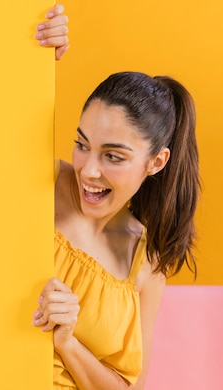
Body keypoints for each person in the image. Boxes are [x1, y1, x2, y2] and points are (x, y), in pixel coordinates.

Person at [32, 70, 200, 389]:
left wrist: (68, 342)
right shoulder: (39, 185)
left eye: (112, 156)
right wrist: (31, 49)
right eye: (82, 144)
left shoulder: (147, 263)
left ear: (156, 163)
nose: (89, 170)